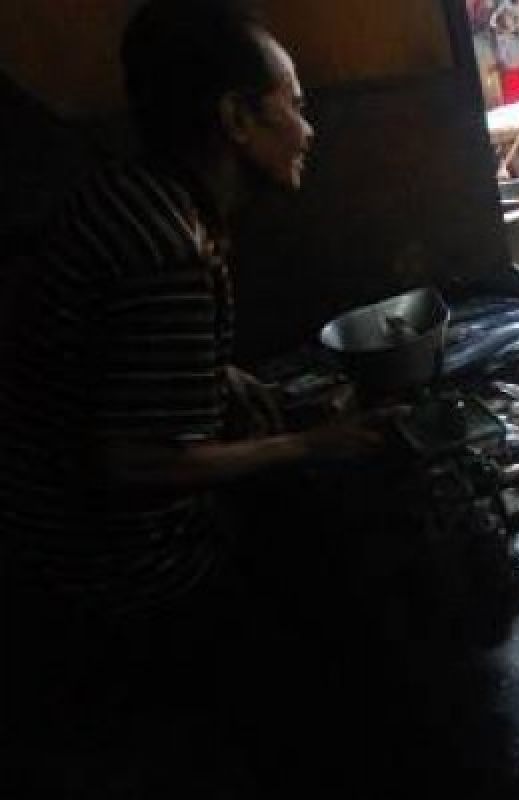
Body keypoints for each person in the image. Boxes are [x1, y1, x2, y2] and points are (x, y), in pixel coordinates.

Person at [0, 0, 385, 775]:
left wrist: (226, 376)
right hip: (112, 569)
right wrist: (308, 444)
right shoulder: (168, 247)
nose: (309, 130)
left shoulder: (133, 194)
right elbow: (133, 461)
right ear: (237, 118)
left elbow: (113, 355)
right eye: (296, 107)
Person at [491, 1, 519, 105]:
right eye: (507, 19)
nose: (509, 21)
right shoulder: (501, 36)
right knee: (513, 101)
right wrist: (503, 7)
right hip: (509, 70)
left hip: (517, 68)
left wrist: (516, 25)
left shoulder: (516, 35)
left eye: (511, 19)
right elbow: (492, 22)